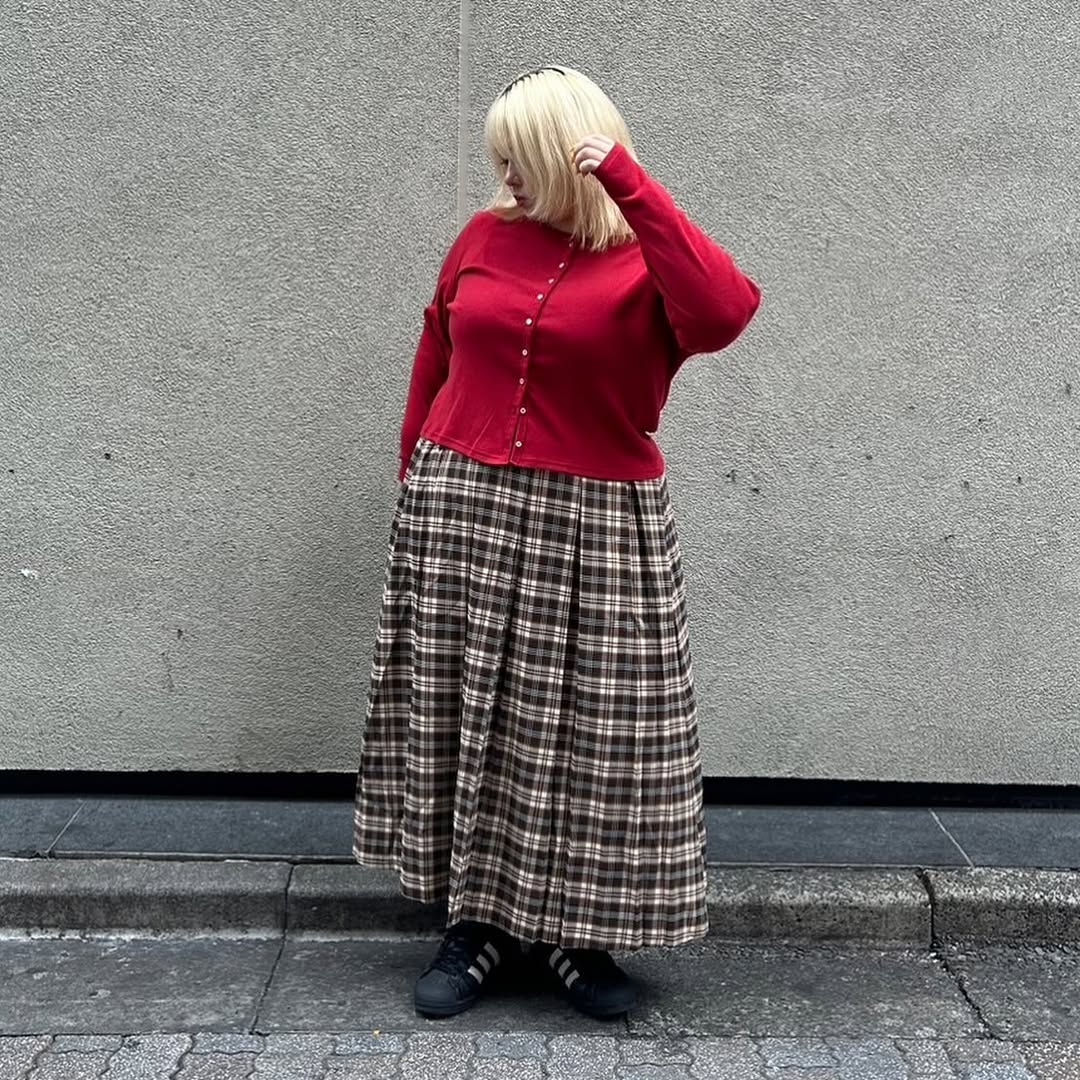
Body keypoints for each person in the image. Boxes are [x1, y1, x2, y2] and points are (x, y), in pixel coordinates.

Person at [352, 65, 762, 1020]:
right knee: (472, 714)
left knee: (590, 733)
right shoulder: (484, 239)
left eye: (518, 158)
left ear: (562, 154)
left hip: (597, 522)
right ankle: (479, 926)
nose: (504, 178)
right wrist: (415, 470)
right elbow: (438, 345)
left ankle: (576, 936)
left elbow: (724, 312)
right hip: (463, 506)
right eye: (499, 159)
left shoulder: (651, 259)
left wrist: (631, 181)